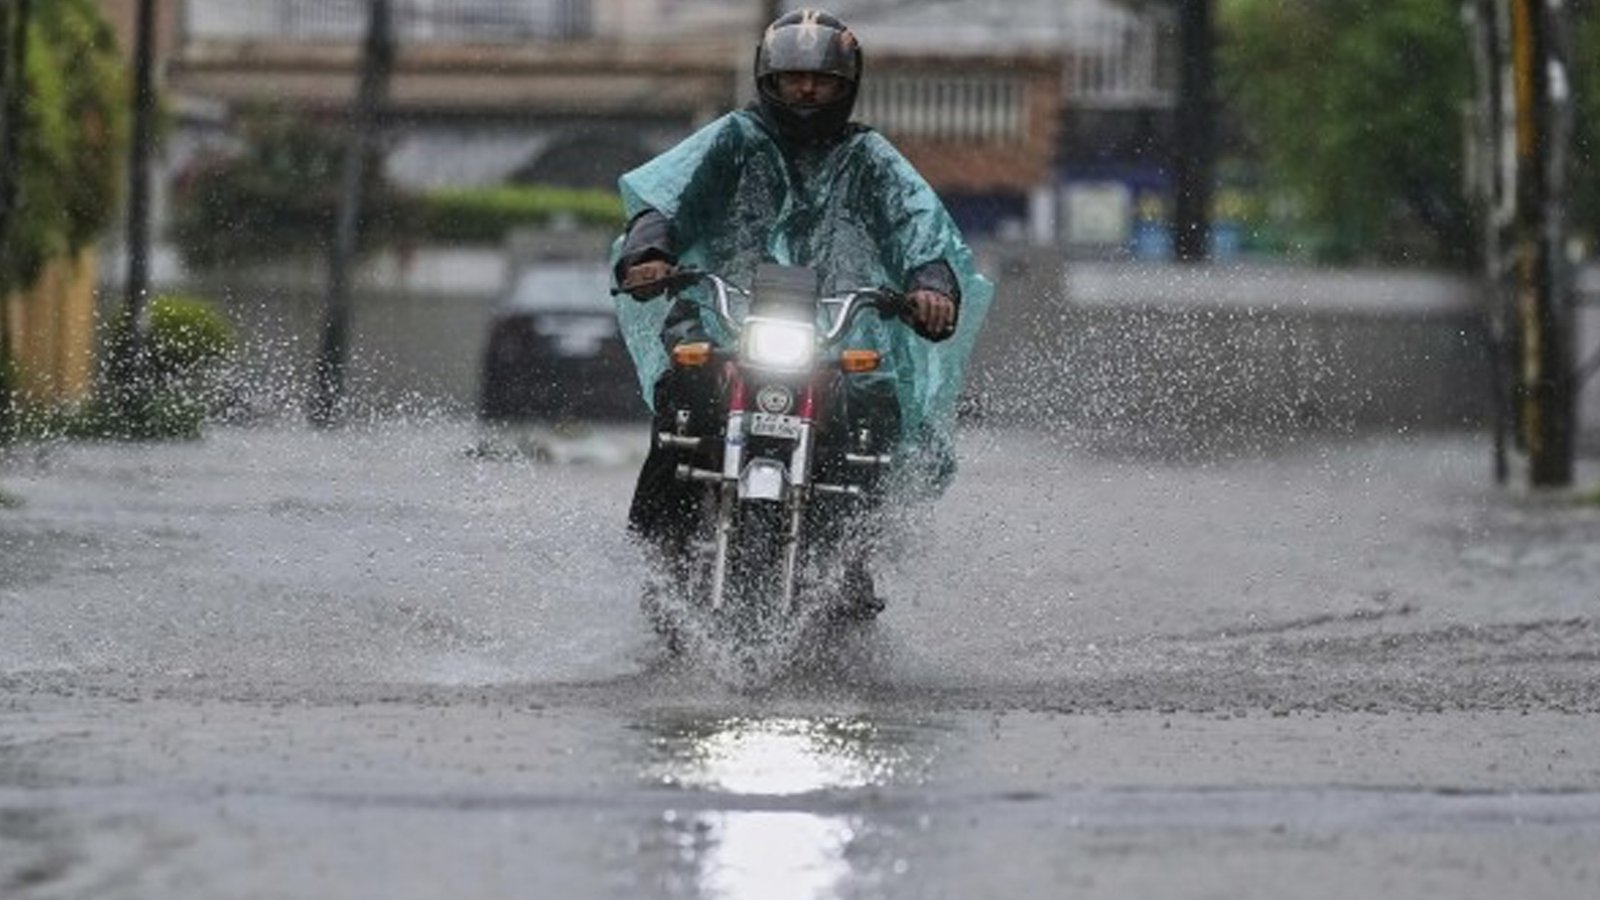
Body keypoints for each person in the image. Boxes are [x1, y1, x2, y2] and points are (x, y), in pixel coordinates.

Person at [612, 8, 991, 618]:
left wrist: (930, 282)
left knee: (871, 411)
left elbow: (917, 224)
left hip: (835, 329)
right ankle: (660, 553)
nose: (808, 90)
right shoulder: (732, 138)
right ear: (769, 80)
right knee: (684, 397)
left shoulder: (870, 155)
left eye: (822, 79)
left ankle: (851, 561)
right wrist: (649, 249)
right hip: (722, 314)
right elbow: (670, 197)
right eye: (793, 78)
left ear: (849, 85)